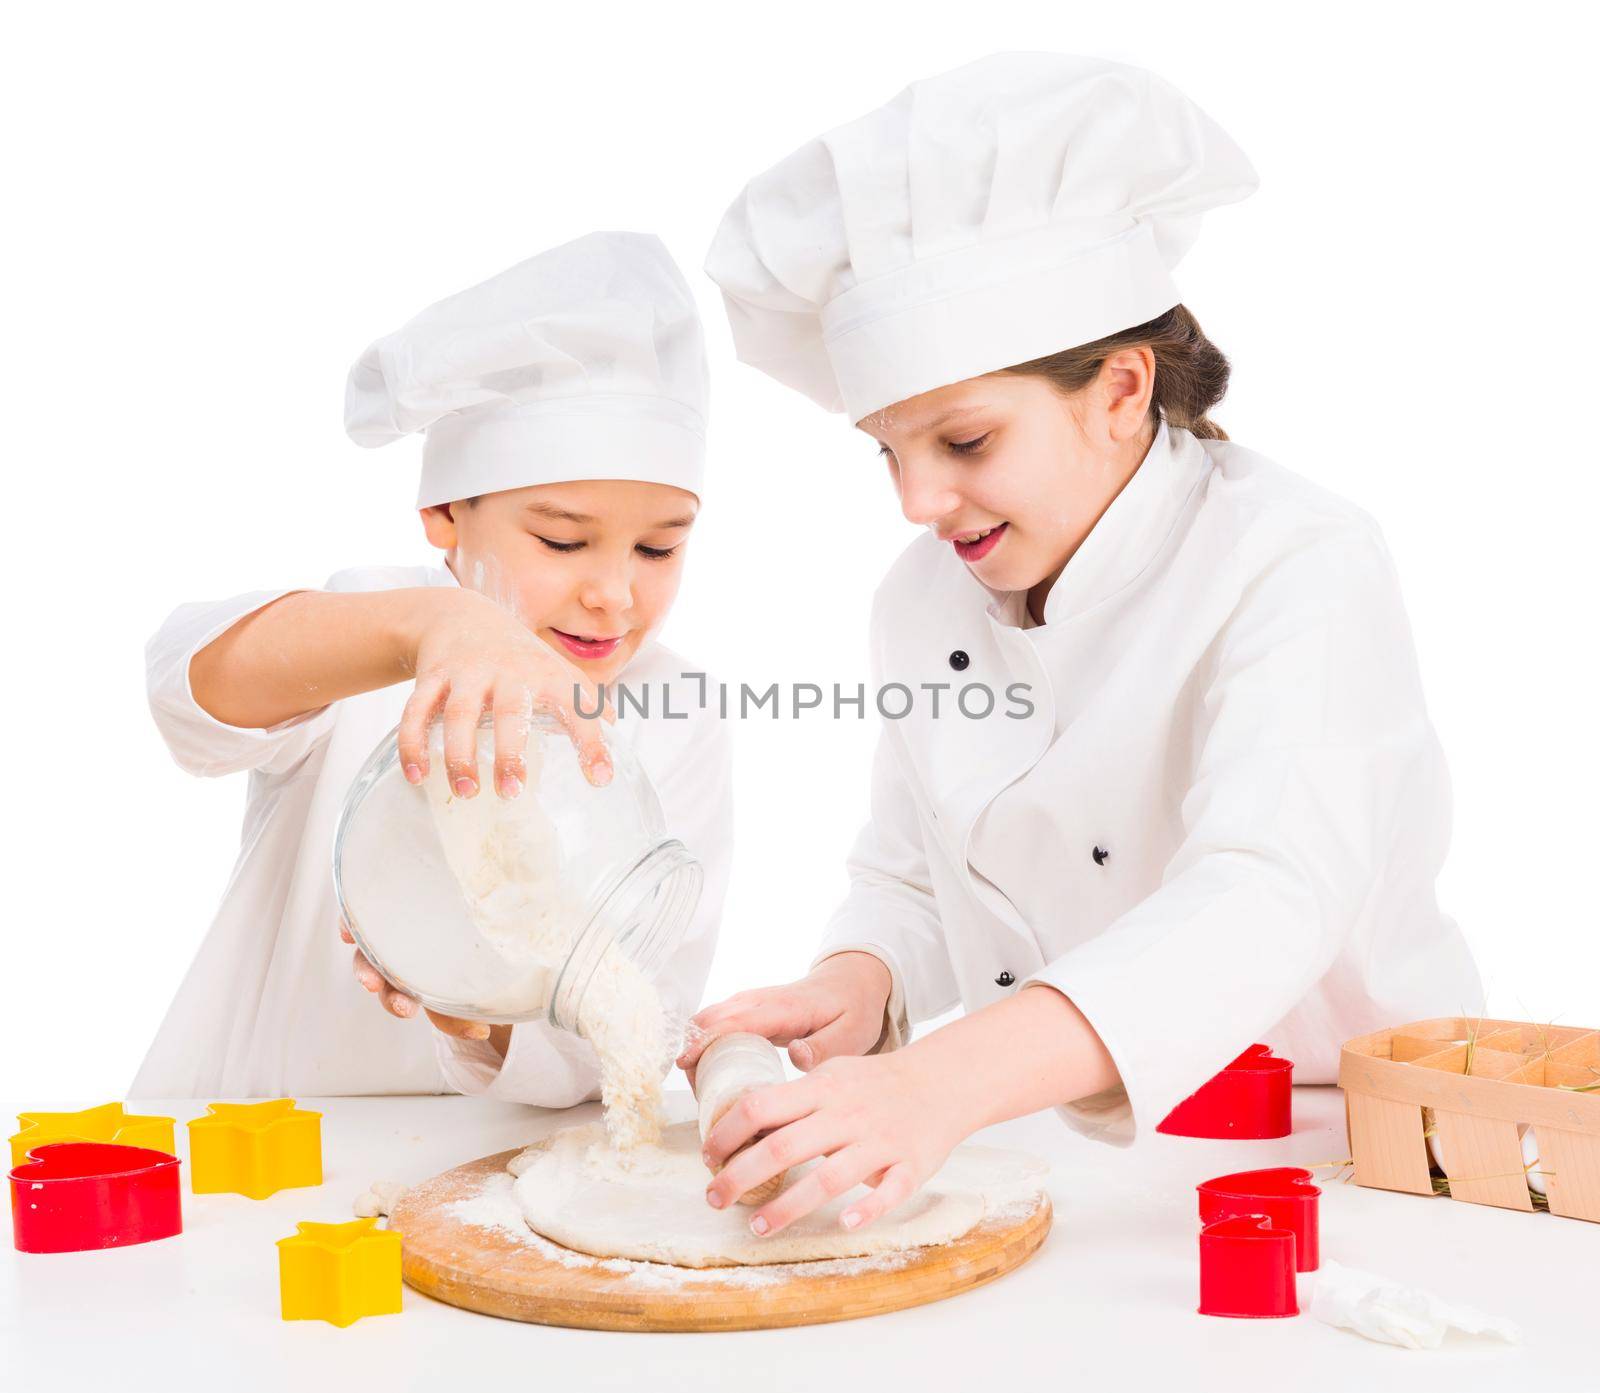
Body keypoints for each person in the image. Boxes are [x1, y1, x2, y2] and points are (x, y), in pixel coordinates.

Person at [685, 53, 1481, 1237]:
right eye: (887, 451)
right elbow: (915, 866)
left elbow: (1263, 891)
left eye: (961, 439)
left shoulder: (1297, 561)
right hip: (1059, 1146)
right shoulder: (921, 599)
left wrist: (939, 1083)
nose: (915, 500)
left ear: (1119, 388)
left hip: (1339, 1150)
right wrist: (862, 985)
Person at [134, 231, 732, 1101]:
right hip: (269, 1133)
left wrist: (477, 1014)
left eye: (658, 547)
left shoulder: (677, 711)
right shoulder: (371, 633)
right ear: (446, 514)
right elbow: (186, 691)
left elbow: (633, 1028)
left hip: (482, 1173)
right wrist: (431, 625)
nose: (614, 593)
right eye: (563, 539)